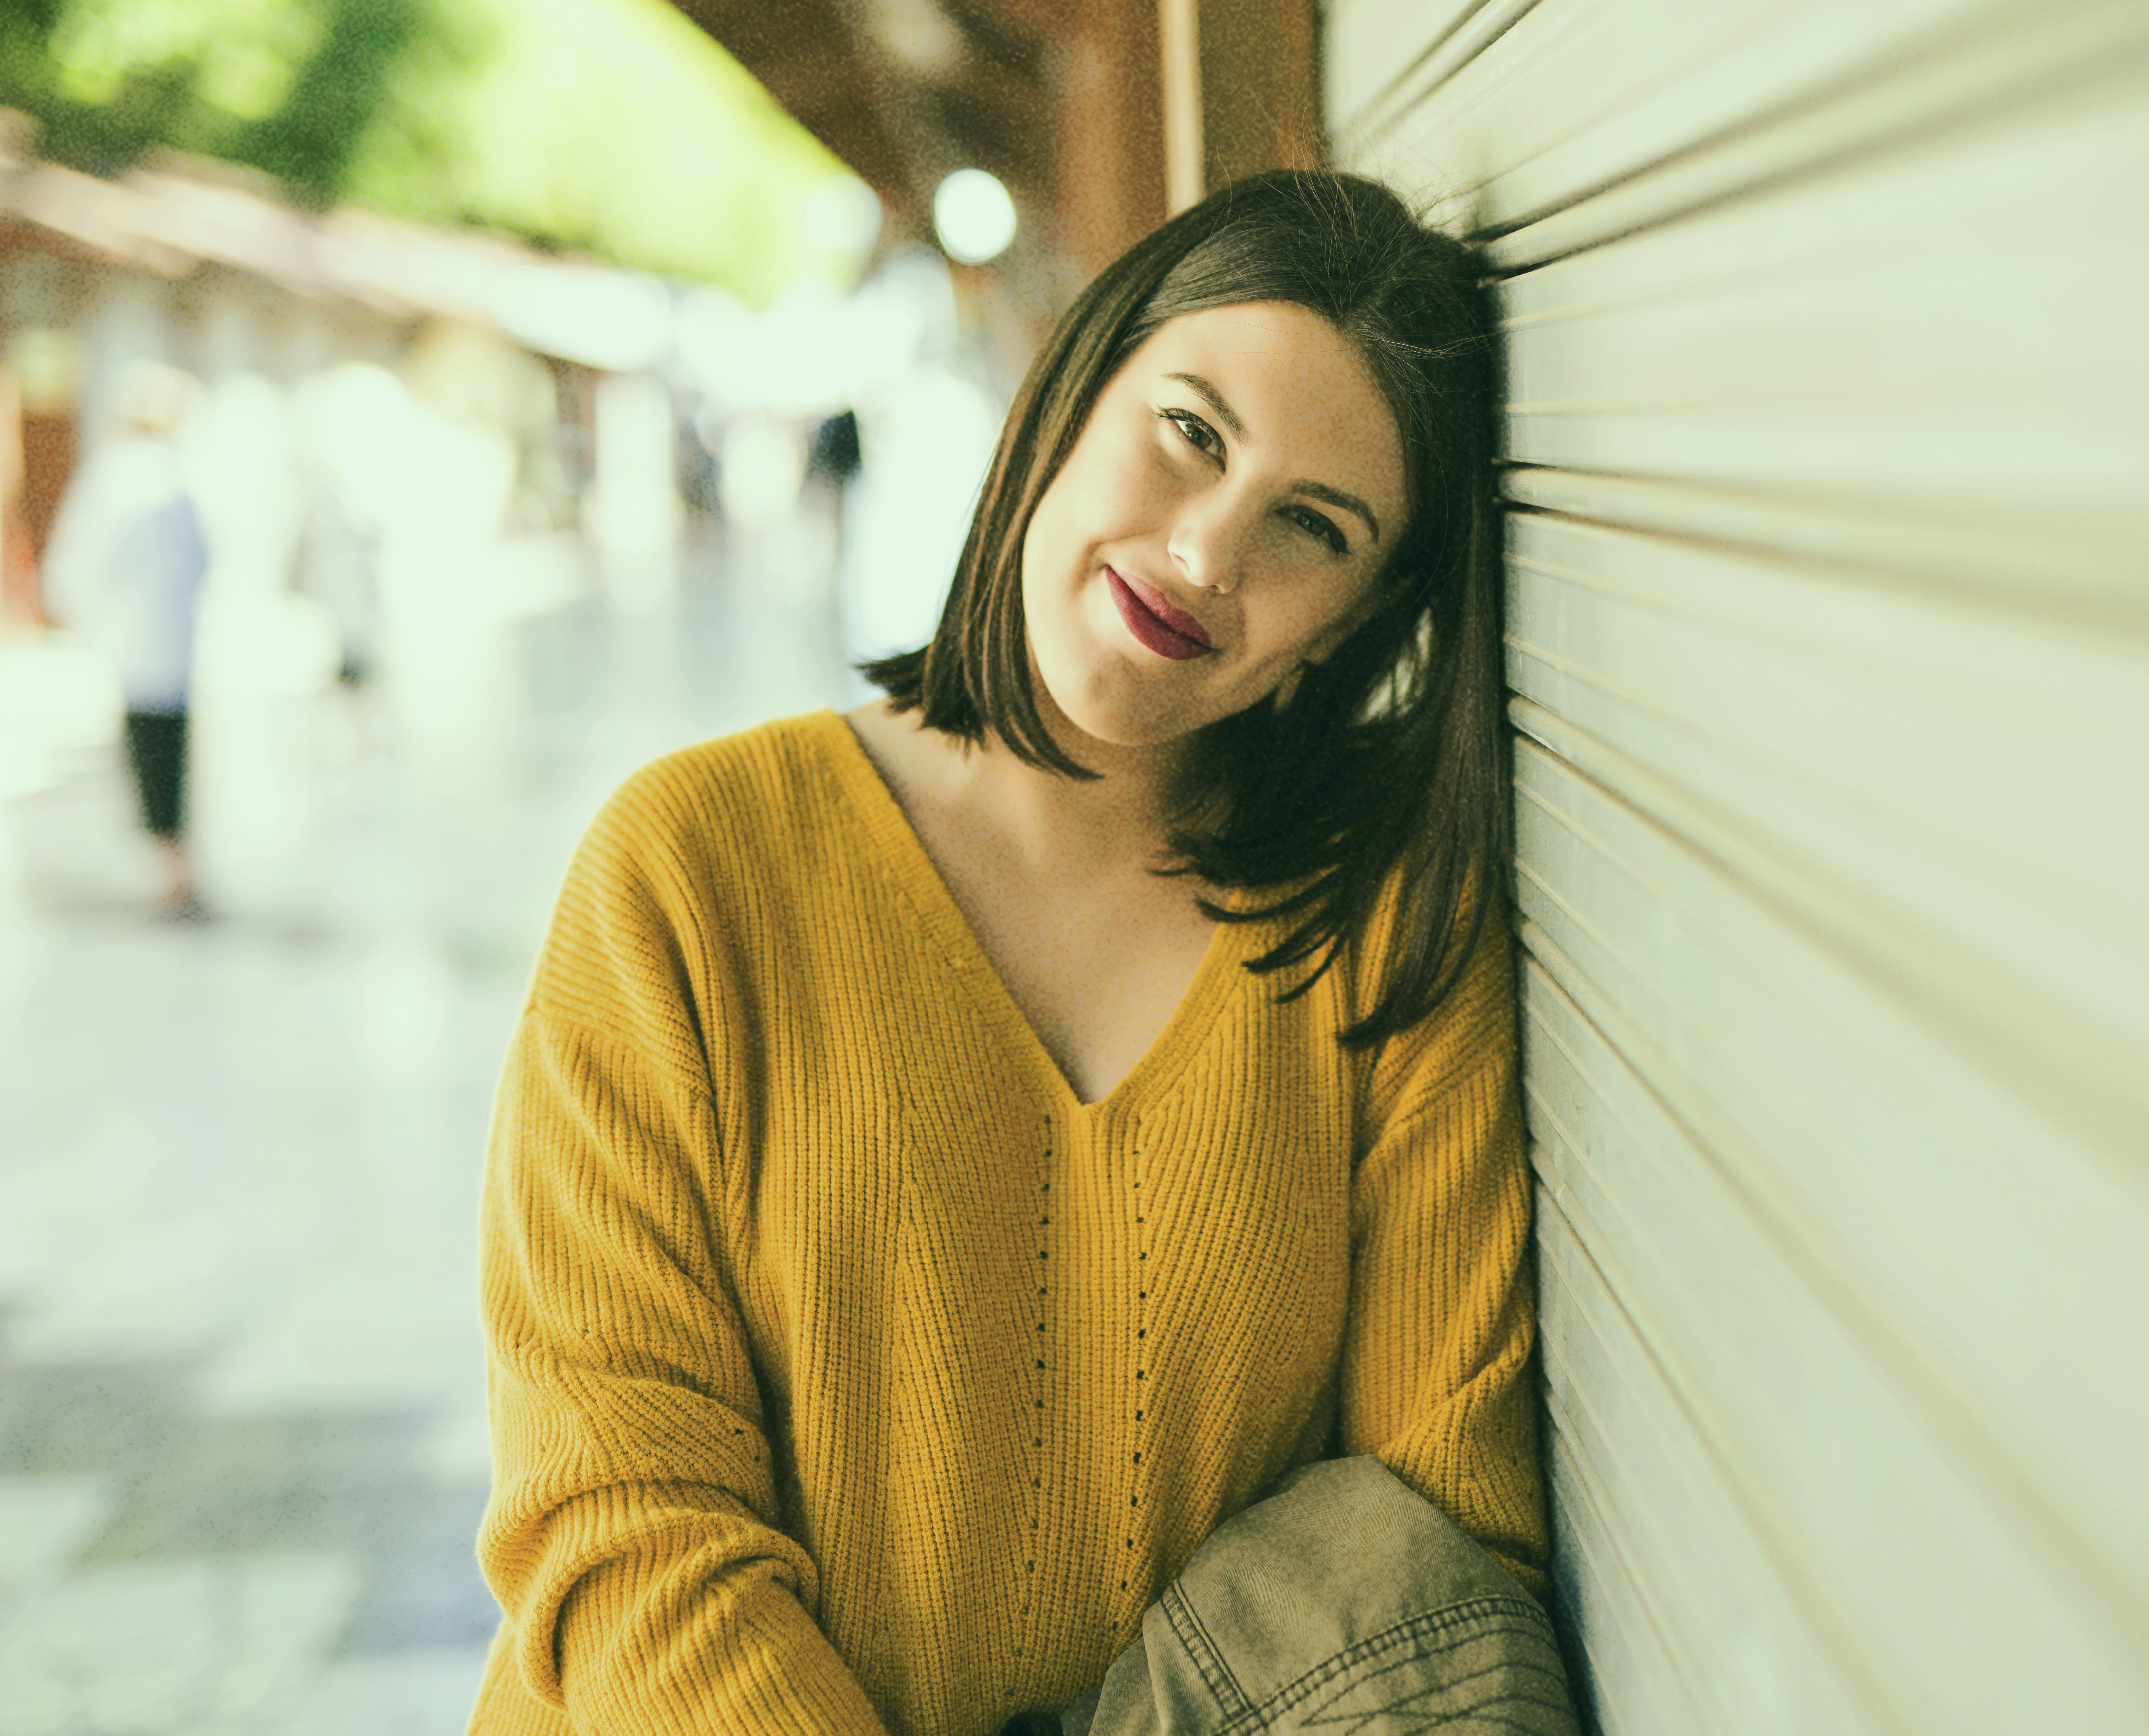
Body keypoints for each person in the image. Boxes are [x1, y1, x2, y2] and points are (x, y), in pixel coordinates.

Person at [471, 172, 1572, 1736]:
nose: (1203, 553)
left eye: (1310, 526)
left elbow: (1433, 1545)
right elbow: (622, 1521)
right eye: (1190, 431)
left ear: (1355, 618)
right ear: (1072, 385)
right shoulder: (688, 870)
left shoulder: (1386, 937)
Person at [42, 361, 211, 919]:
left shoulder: (139, 474)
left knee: (156, 750)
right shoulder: (148, 476)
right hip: (151, 640)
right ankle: (170, 865)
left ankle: (170, 864)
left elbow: (82, 560)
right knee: (157, 750)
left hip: (148, 639)